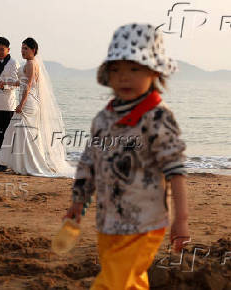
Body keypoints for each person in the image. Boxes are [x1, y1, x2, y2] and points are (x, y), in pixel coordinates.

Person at [64, 23, 190, 289]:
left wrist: (181, 219)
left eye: (134, 69)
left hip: (145, 221)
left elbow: (175, 169)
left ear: (154, 71)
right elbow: (89, 164)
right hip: (108, 220)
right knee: (128, 280)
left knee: (112, 283)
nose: (124, 77)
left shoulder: (157, 117)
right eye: (117, 69)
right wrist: (78, 202)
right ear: (107, 74)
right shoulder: (103, 118)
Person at [0, 37, 75, 178]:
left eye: (26, 48)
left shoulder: (31, 64)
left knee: (21, 133)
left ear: (33, 50)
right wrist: (6, 84)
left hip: (28, 103)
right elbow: (20, 82)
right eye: (22, 48)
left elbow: (28, 85)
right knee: (19, 133)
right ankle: (20, 164)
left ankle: (27, 165)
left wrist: (21, 104)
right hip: (27, 101)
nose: (23, 51)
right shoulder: (28, 64)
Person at [0, 37, 20, 171]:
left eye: (2, 49)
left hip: (6, 105)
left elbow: (17, 82)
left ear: (8, 49)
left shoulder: (13, 63)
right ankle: (2, 162)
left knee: (6, 135)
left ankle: (5, 164)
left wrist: (4, 86)